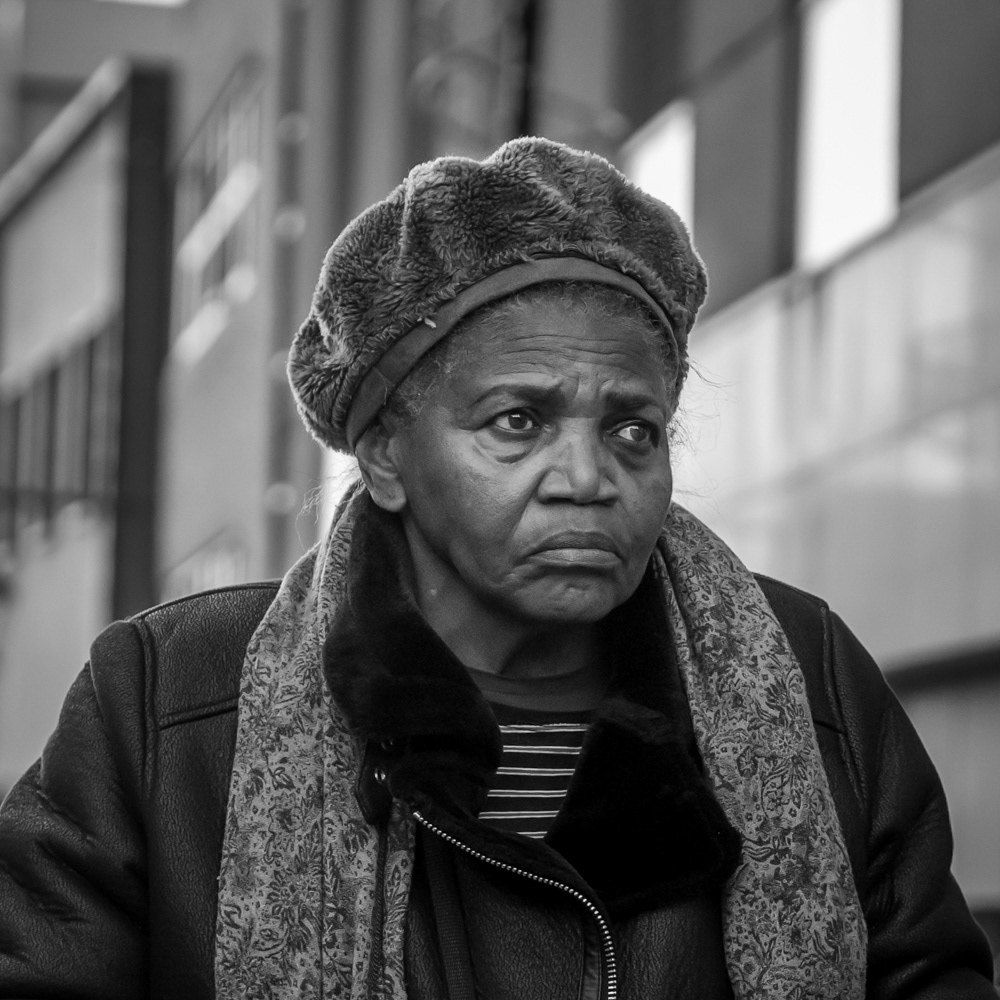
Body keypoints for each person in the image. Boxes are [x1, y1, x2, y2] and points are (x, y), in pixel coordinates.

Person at [0, 137, 995, 1000]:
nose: (587, 478)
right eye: (517, 421)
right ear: (386, 456)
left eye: (633, 429)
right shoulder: (169, 703)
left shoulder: (810, 684)